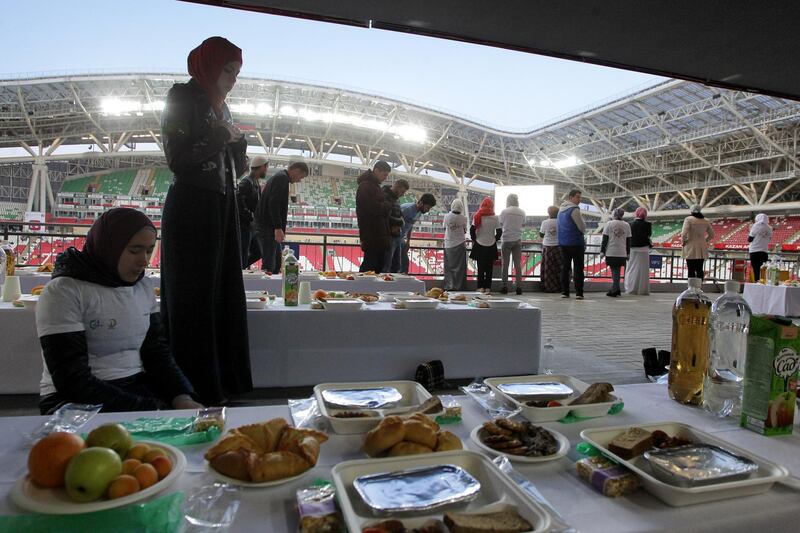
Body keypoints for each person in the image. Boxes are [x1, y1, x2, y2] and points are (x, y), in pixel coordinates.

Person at [35, 209, 202, 414]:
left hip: (134, 386)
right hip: (70, 399)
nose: (144, 261)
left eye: (149, 250)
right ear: (109, 247)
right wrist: (145, 408)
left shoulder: (143, 288)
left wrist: (181, 396)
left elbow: (156, 353)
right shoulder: (64, 291)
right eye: (134, 250)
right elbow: (71, 379)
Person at [160, 36, 252, 404]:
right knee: (194, 298)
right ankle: (191, 387)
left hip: (222, 206)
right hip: (194, 206)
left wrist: (238, 146)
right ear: (209, 66)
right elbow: (178, 159)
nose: (232, 78)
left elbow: (235, 167)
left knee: (223, 294)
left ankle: (221, 383)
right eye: (228, 70)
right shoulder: (181, 98)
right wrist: (219, 135)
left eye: (236, 72)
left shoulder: (222, 109)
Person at [254, 161, 309, 273]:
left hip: (268, 227)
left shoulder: (280, 177)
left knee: (276, 263)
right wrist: (278, 228)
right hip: (269, 228)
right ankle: (267, 288)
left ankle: (269, 287)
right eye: (301, 177)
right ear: (296, 171)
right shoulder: (282, 179)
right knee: (270, 264)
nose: (299, 180)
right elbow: (274, 204)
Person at [356, 161, 393, 272]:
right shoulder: (366, 186)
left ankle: (367, 289)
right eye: (384, 174)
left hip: (377, 234)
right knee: (370, 266)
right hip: (372, 233)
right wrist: (387, 205)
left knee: (377, 266)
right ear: (376, 171)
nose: (385, 178)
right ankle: (361, 289)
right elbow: (372, 208)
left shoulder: (374, 186)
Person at [237, 155, 266, 268]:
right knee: (244, 254)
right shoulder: (247, 182)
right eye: (266, 167)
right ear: (261, 167)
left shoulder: (254, 182)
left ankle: (240, 270)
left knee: (257, 252)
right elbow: (239, 202)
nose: (266, 170)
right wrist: (250, 215)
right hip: (245, 225)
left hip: (250, 226)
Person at [558, 189, 586, 299]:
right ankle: (579, 292)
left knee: (565, 267)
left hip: (563, 242)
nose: (580, 199)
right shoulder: (574, 210)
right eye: (578, 197)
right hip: (575, 242)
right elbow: (582, 227)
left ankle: (565, 292)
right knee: (578, 268)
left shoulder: (561, 209)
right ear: (571, 197)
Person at [469, 197, 502, 293]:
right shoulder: (495, 218)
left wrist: (475, 239)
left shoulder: (477, 216)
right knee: (489, 269)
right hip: (491, 246)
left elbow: (472, 230)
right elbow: (499, 232)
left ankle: (480, 287)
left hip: (479, 245)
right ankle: (488, 288)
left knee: (480, 268)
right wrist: (494, 239)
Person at [400, 193, 437, 273]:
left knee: (404, 265)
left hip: (401, 239)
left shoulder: (419, 212)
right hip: (394, 238)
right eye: (427, 207)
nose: (428, 210)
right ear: (421, 203)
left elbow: (410, 226)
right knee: (394, 265)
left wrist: (408, 241)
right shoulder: (407, 209)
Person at [499, 194, 526, 295]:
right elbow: (523, 224)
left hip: (506, 240)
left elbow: (501, 223)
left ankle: (504, 287)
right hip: (518, 240)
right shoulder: (522, 212)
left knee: (505, 264)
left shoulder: (505, 211)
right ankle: (519, 288)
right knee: (518, 265)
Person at [601, 208, 632, 297]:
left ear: (614, 214)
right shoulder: (627, 225)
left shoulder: (609, 224)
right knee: (616, 270)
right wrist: (628, 253)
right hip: (622, 252)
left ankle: (614, 289)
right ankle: (616, 289)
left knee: (614, 270)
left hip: (611, 251)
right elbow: (628, 240)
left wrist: (602, 251)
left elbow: (605, 239)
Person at [382, 179, 410, 273]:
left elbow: (400, 215)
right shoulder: (385, 196)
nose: (402, 194)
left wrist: (400, 222)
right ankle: (385, 286)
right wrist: (399, 223)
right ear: (397, 186)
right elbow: (385, 216)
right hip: (389, 236)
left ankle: (391, 286)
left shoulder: (396, 199)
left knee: (396, 266)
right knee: (386, 266)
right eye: (402, 191)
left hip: (396, 236)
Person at [681, 204, 714, 280]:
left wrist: (683, 241)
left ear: (691, 210)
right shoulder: (706, 220)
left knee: (691, 269)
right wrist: (705, 240)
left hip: (690, 246)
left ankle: (691, 288)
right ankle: (699, 287)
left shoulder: (688, 219)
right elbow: (712, 235)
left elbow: (683, 234)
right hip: (702, 247)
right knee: (699, 269)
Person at [625, 207, 653, 295]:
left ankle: (631, 288)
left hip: (632, 248)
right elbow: (649, 235)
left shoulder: (630, 224)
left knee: (631, 269)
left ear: (636, 214)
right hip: (644, 249)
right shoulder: (648, 224)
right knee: (643, 270)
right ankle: (643, 289)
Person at [443, 198, 468, 290]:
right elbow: (465, 230)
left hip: (449, 243)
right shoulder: (463, 218)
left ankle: (449, 286)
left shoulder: (447, 216)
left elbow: (444, 227)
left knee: (449, 267)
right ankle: (459, 286)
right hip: (460, 243)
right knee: (460, 268)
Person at [539, 206, 562, 293]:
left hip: (547, 247)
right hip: (559, 246)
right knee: (559, 268)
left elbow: (541, 235)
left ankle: (549, 287)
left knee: (548, 268)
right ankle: (561, 286)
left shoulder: (545, 222)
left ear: (549, 213)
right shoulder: (561, 222)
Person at [748, 213, 772, 282]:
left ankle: (757, 284)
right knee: (763, 271)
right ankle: (763, 285)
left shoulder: (755, 226)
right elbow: (769, 239)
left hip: (754, 251)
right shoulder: (769, 228)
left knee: (756, 271)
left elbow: (750, 239)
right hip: (764, 252)